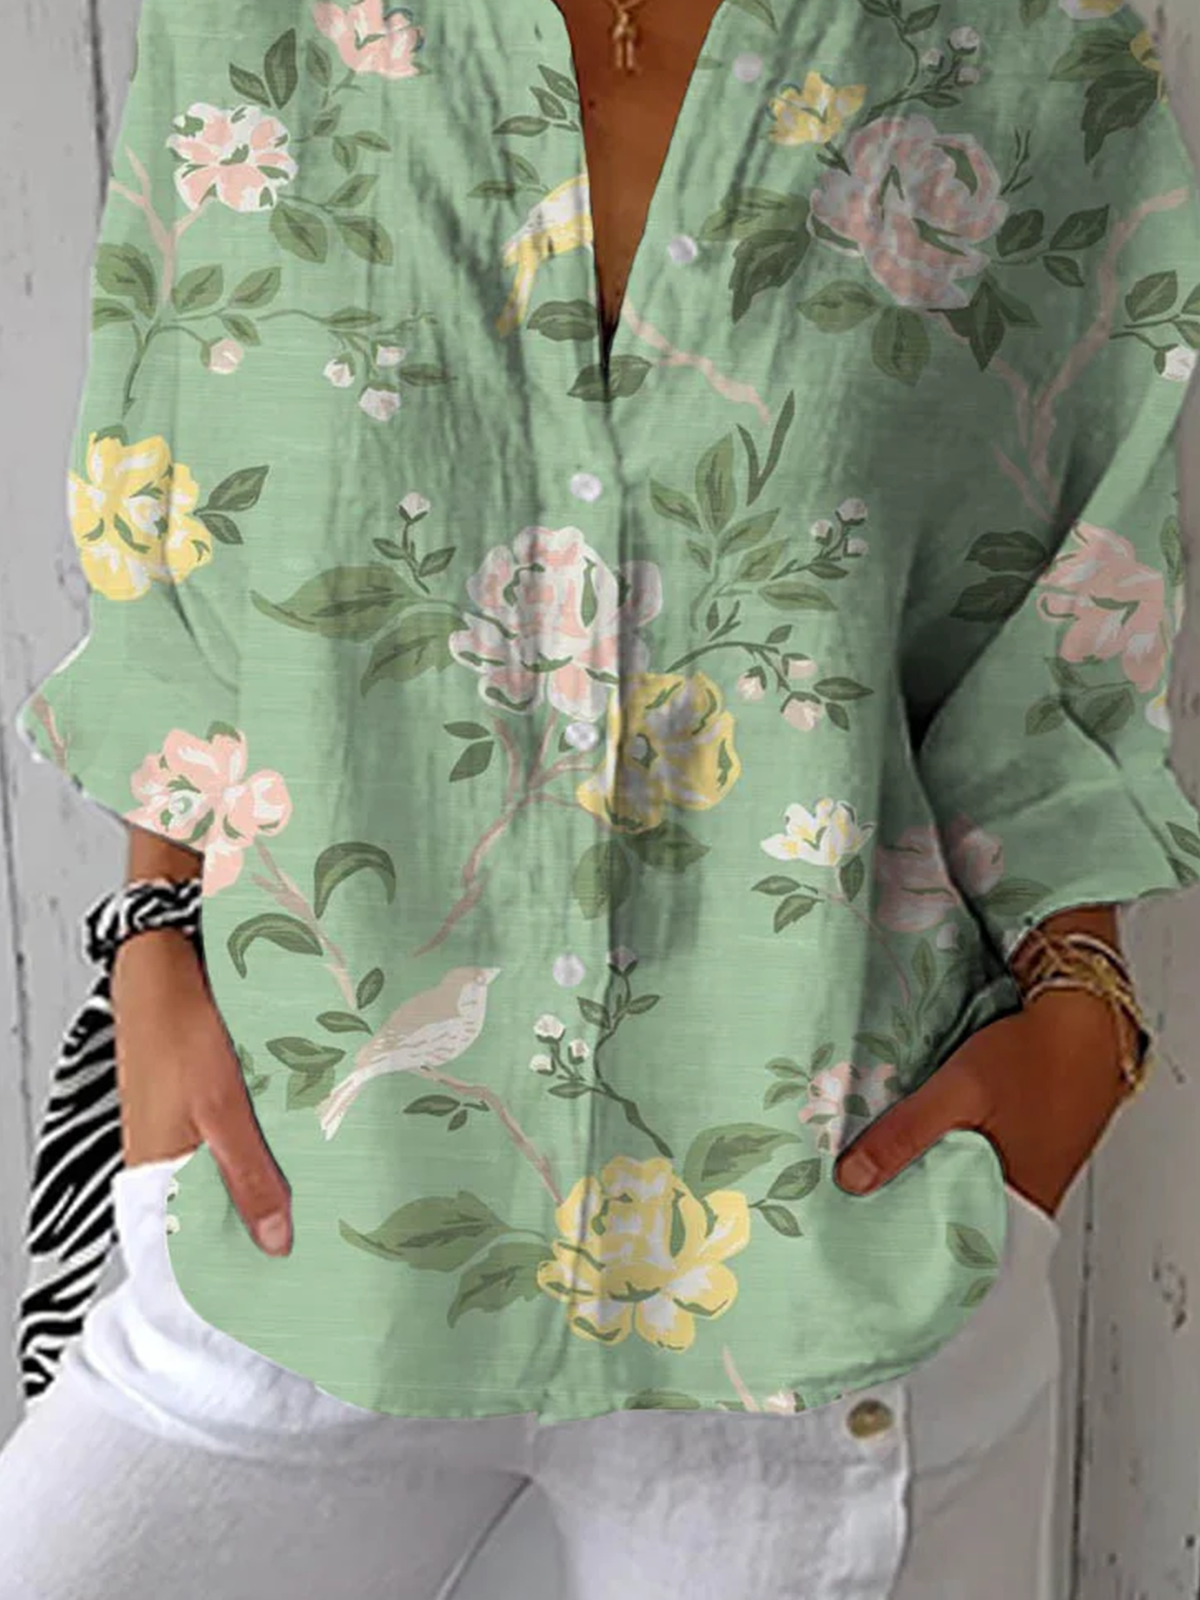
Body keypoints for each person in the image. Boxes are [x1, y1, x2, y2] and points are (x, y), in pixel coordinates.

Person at [1, 0, 1198, 1593]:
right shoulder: (249, 30)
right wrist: (151, 935)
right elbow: (169, 546)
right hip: (303, 1211)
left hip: (822, 1269)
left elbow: (1059, 623)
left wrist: (1083, 1022)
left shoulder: (1026, 45)